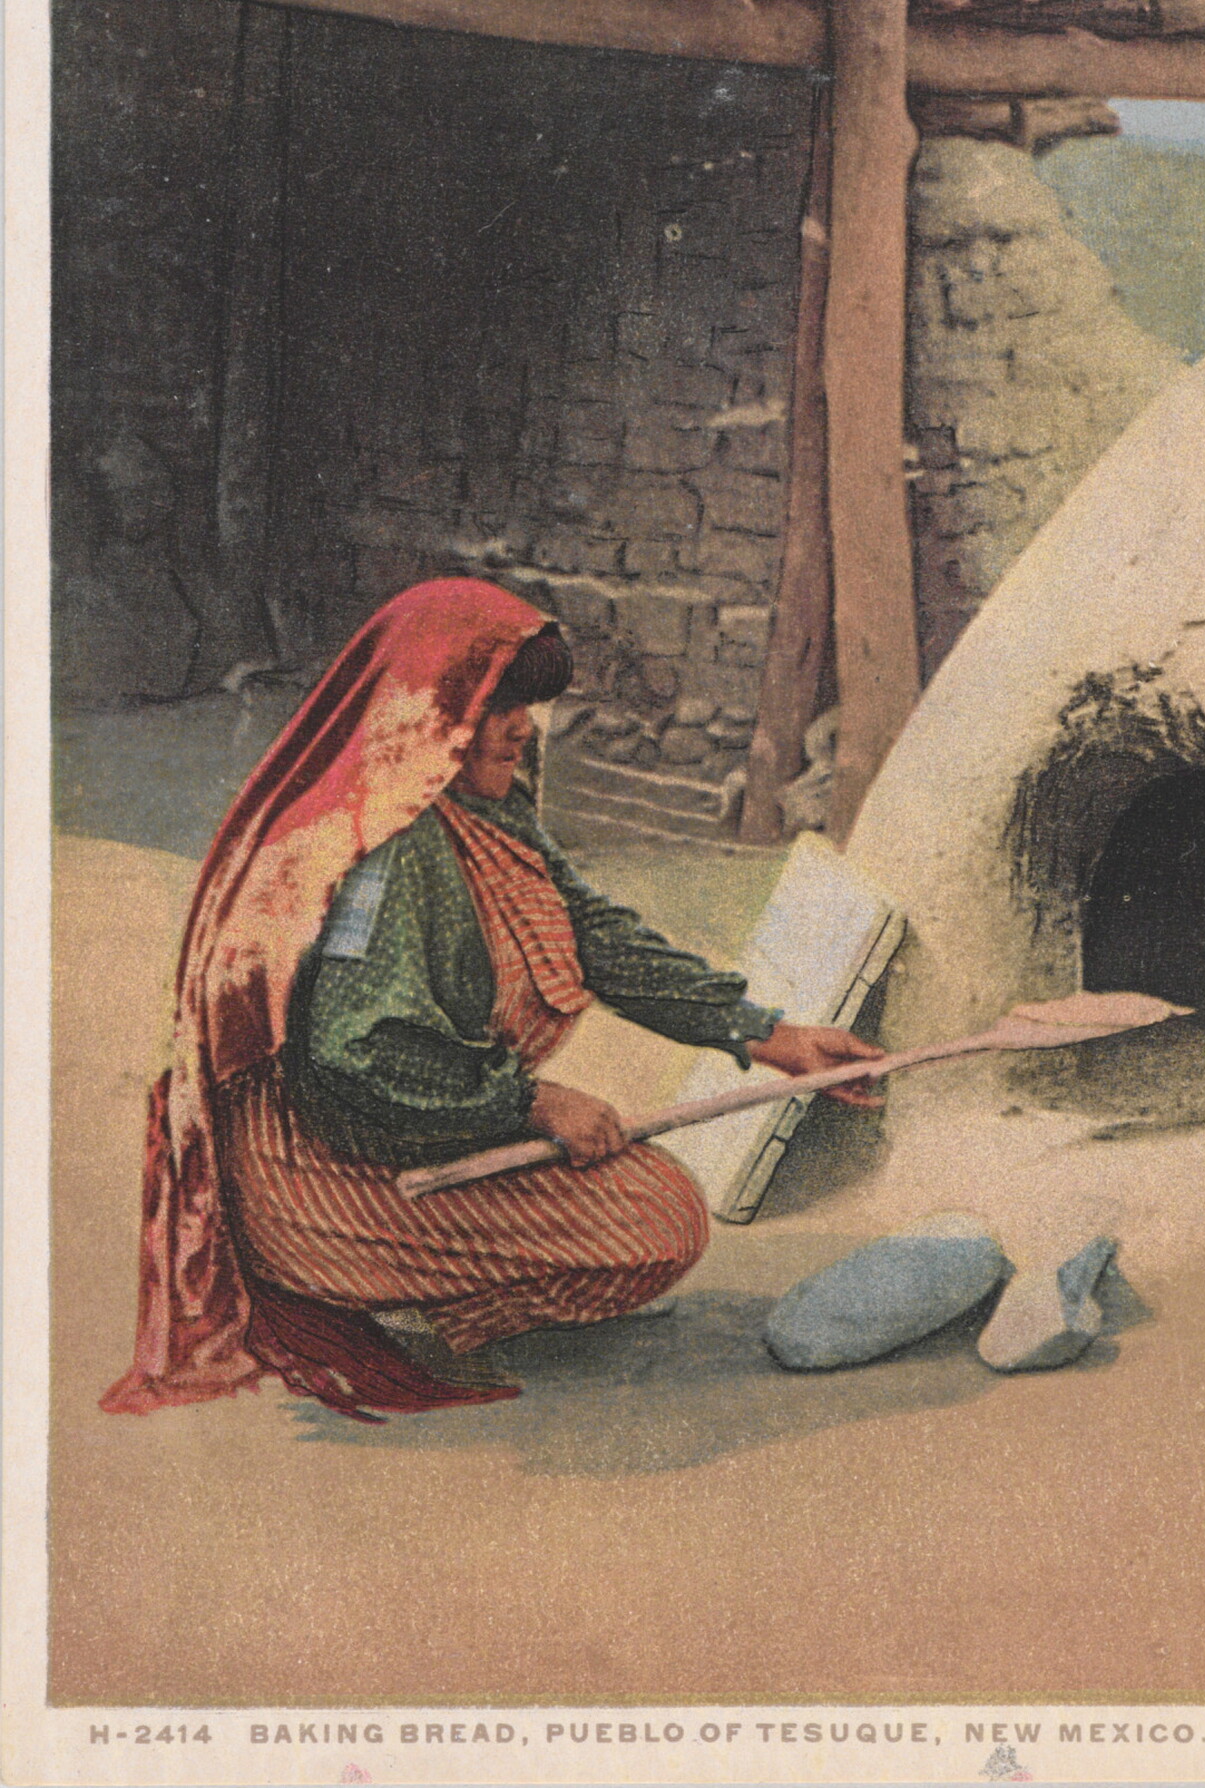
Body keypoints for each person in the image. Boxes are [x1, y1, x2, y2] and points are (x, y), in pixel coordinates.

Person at [103, 578, 885, 1422]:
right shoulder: (388, 849)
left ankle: (437, 1293)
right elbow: (357, 1055)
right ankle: (389, 1297)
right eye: (498, 706)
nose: (523, 728)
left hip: (421, 1126)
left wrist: (771, 1038)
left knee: (654, 1208)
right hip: (326, 1163)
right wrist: (530, 1103)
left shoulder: (486, 808)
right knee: (660, 1218)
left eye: (529, 706)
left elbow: (594, 935)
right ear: (430, 715)